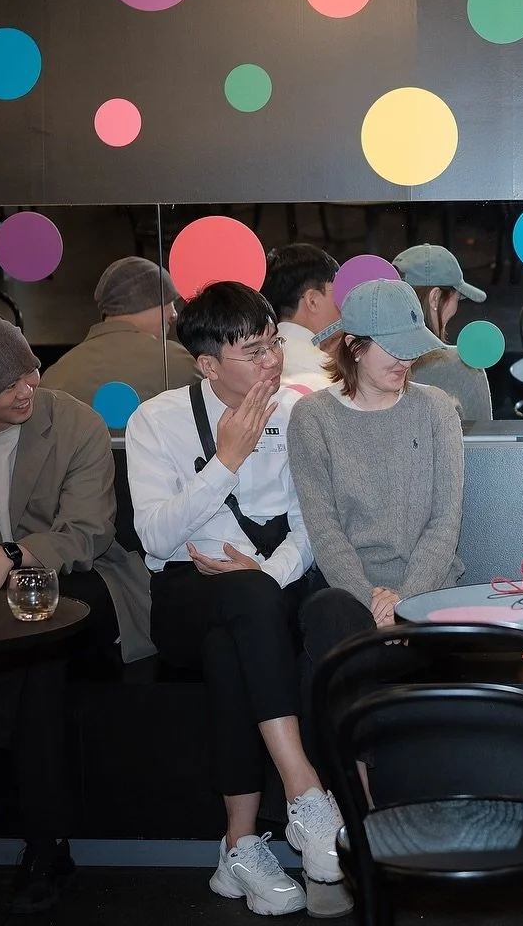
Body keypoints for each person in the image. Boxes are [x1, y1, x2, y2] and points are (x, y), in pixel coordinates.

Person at [0, 314, 154, 913]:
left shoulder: (74, 424)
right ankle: (48, 845)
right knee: (33, 645)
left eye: (30, 372)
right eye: (7, 385)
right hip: (1, 620)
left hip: (91, 589)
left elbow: (90, 533)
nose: (26, 391)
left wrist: (10, 557)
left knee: (37, 611)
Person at [125, 281, 349, 919]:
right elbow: (156, 537)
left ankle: (241, 848)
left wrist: (266, 576)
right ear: (207, 364)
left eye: (274, 343)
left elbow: (310, 529)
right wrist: (224, 462)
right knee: (231, 615)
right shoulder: (157, 420)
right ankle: (305, 791)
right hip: (183, 598)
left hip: (268, 590)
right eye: (253, 352)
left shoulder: (299, 411)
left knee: (235, 648)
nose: (273, 362)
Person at [288, 279, 464, 645]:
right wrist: (373, 604)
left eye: (412, 348)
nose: (406, 361)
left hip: (428, 587)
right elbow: (325, 530)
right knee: (331, 614)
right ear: (354, 347)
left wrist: (404, 602)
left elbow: (445, 521)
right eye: (394, 348)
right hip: (349, 595)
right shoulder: (313, 417)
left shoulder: (436, 409)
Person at [40, 256, 199, 423]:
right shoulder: (179, 363)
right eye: (167, 301)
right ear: (144, 303)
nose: (174, 314)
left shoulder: (55, 376)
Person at [392, 243, 493, 421]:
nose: (456, 307)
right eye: (457, 298)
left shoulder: (362, 360)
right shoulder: (464, 366)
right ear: (435, 297)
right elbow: (484, 444)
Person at [259, 243, 342, 393]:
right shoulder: (333, 375)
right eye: (339, 293)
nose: (344, 303)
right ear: (312, 300)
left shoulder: (255, 365)